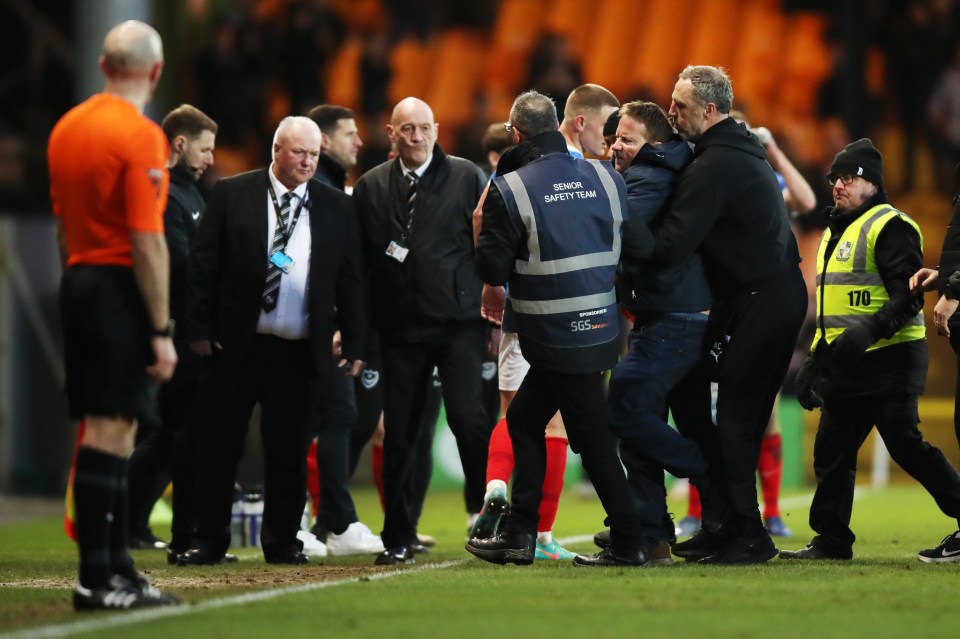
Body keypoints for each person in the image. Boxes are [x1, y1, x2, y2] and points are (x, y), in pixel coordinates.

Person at [178, 116, 368, 566]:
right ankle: (208, 539)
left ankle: (283, 542)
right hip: (235, 347)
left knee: (289, 451)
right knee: (219, 446)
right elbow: (202, 266)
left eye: (313, 155)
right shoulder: (231, 193)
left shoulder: (335, 204)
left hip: (300, 349)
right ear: (277, 151)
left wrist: (357, 340)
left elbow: (352, 278)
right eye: (298, 153)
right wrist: (199, 330)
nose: (306, 162)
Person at [469, 89, 647, 568]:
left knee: (589, 439)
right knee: (526, 420)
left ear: (515, 134)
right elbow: (636, 246)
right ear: (560, 126)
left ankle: (631, 542)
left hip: (551, 332)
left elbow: (493, 268)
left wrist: (481, 227)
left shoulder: (513, 186)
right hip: (600, 329)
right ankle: (522, 534)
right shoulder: (604, 175)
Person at [637, 65, 808, 564]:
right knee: (698, 395)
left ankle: (749, 534)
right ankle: (722, 520)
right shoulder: (733, 150)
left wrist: (622, 228)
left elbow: (671, 245)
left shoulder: (715, 166)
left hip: (762, 301)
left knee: (735, 418)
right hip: (762, 298)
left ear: (709, 110)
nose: (672, 113)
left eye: (681, 106)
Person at [48, 20, 180, 610]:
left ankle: (118, 568)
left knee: (117, 427)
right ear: (154, 72)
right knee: (110, 427)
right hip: (118, 286)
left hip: (76, 276)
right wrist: (159, 328)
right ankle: (97, 579)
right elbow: (147, 240)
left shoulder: (66, 128)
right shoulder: (141, 135)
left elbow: (60, 226)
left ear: (104, 66)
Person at [782, 139, 960, 562]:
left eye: (849, 177)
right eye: (835, 178)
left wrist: (867, 332)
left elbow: (910, 297)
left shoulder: (890, 225)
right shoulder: (833, 231)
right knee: (831, 450)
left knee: (906, 446)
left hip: (889, 358)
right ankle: (831, 541)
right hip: (846, 361)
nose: (839, 185)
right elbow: (833, 311)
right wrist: (813, 363)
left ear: (873, 184)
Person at [353, 97, 490, 565]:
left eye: (424, 128)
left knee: (469, 420)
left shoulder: (468, 176)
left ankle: (490, 515)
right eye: (406, 129)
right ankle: (398, 534)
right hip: (400, 329)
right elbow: (361, 264)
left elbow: (488, 246)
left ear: (437, 130)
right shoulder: (371, 186)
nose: (416, 137)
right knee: (402, 434)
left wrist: (491, 303)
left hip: (458, 326)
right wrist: (355, 327)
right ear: (391, 134)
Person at [678, 113, 818, 539]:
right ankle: (701, 511)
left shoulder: (761, 183)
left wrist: (773, 148)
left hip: (754, 307)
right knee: (709, 416)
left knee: (756, 416)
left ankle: (769, 511)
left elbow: (808, 201)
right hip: (719, 307)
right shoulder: (707, 177)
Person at [600, 100, 712, 566]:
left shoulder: (649, 178)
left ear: (655, 144)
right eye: (614, 139)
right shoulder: (659, 169)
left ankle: (713, 474)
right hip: (665, 314)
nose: (616, 148)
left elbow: (621, 231)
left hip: (672, 317)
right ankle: (649, 534)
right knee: (637, 425)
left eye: (627, 140)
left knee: (622, 405)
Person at [125, 104, 219, 562]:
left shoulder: (192, 196)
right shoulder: (167, 197)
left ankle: (130, 520)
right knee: (174, 432)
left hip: (188, 327)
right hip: (174, 329)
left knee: (167, 433)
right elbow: (181, 265)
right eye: (204, 149)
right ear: (179, 144)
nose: (210, 160)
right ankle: (145, 522)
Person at [303, 104, 383, 556]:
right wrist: (335, 321)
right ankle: (331, 522)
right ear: (325, 140)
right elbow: (310, 264)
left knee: (332, 419)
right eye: (349, 134)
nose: (358, 141)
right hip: (314, 328)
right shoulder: (320, 191)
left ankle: (322, 522)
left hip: (322, 326)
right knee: (332, 417)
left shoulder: (334, 188)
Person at [558, 83, 620, 158]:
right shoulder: (570, 165)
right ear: (580, 123)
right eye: (606, 126)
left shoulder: (546, 152)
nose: (610, 137)